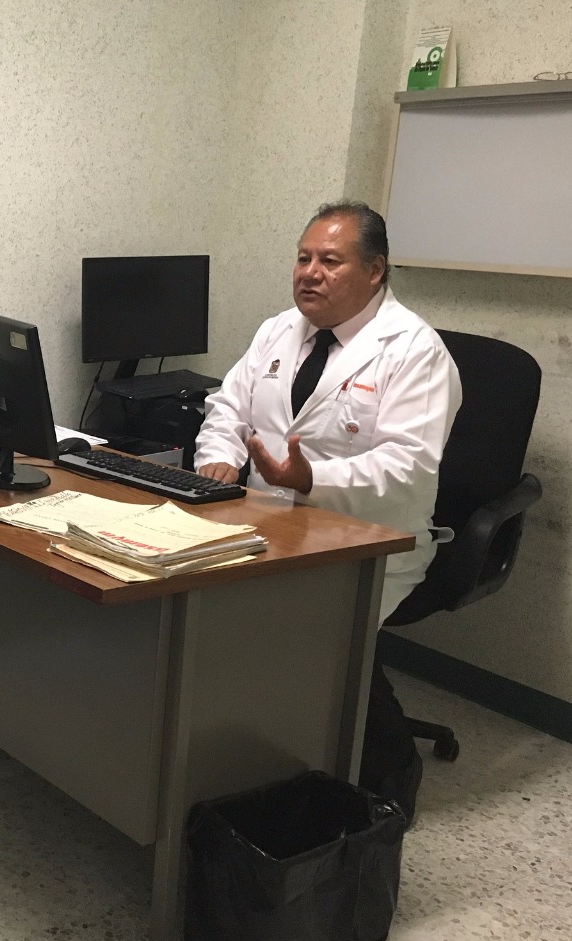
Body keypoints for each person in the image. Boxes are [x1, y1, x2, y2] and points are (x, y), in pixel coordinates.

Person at [194, 201, 462, 818]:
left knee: (310, 631)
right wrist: (218, 458)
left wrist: (311, 479)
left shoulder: (414, 351)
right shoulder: (278, 330)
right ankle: (243, 758)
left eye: (330, 261)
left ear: (375, 271)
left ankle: (390, 773)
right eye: (303, 258)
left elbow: (409, 463)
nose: (309, 273)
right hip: (268, 520)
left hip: (368, 538)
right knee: (204, 603)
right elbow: (228, 407)